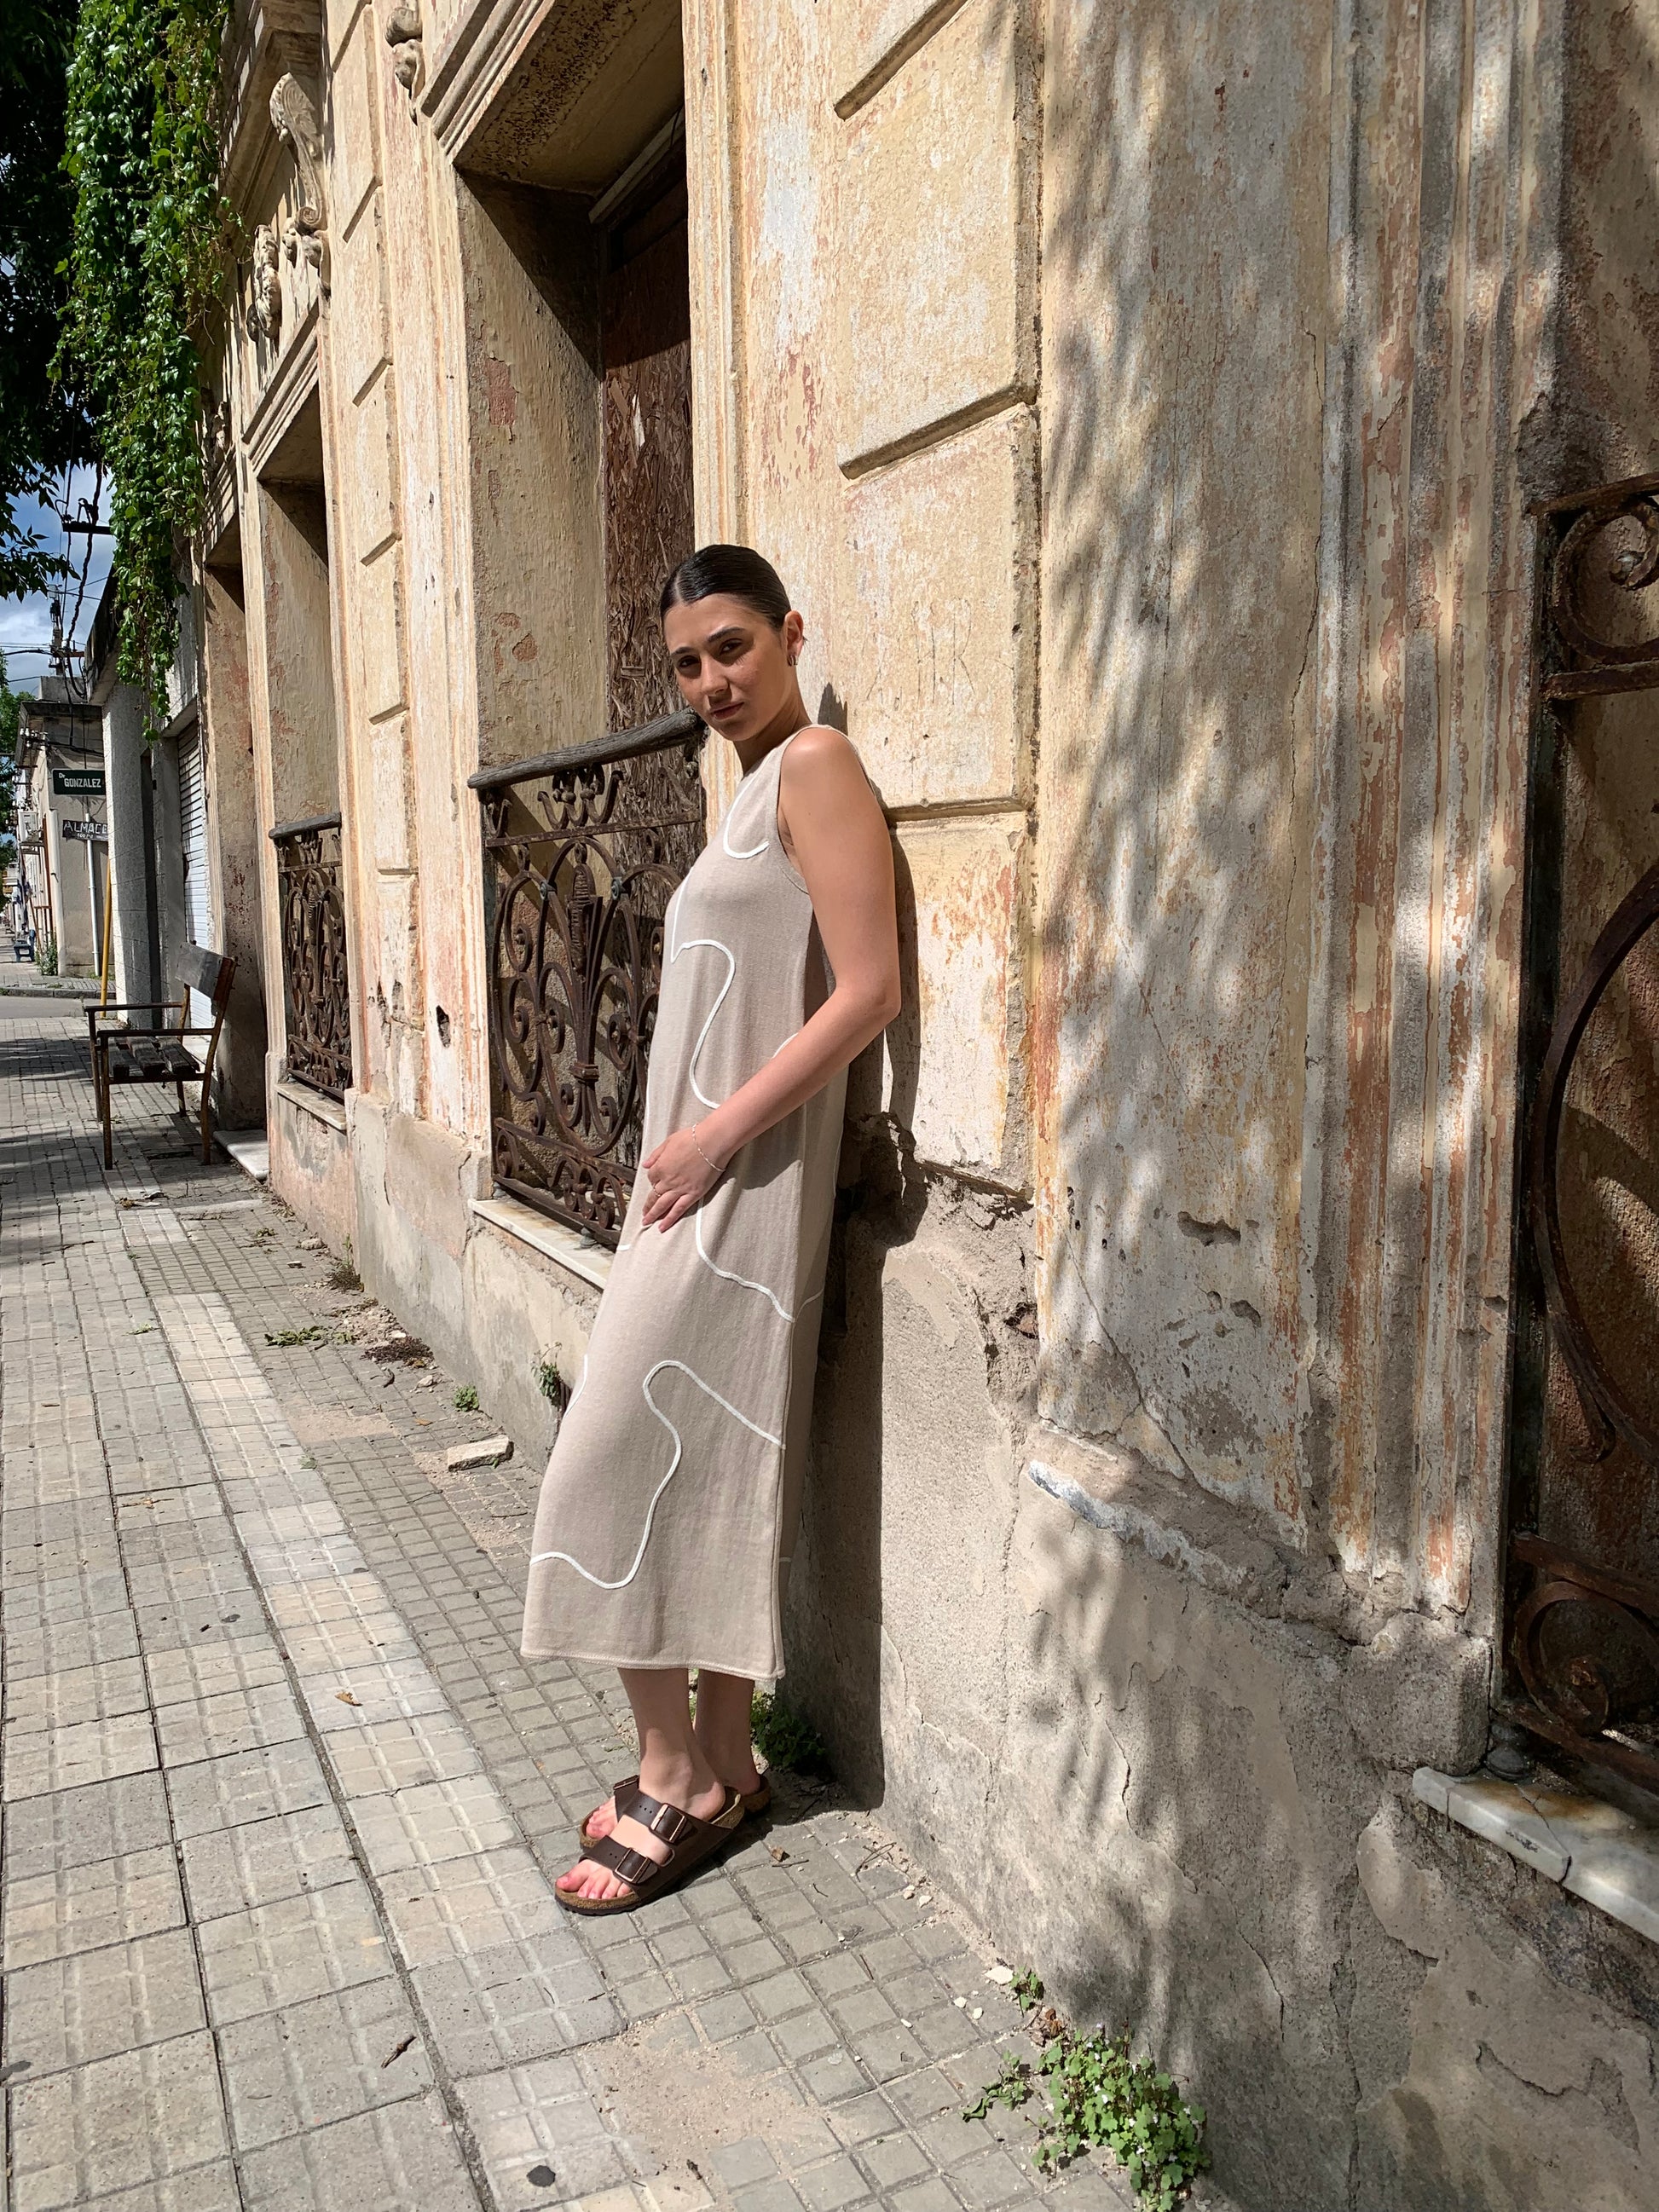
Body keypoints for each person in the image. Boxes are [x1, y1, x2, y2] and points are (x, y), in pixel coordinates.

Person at [521, 544, 901, 1914]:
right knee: (706, 1457)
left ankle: (671, 1771)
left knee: (603, 1465)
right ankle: (727, 1762)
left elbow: (867, 992)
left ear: (790, 633)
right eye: (687, 664)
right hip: (699, 1179)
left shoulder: (815, 767)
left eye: (731, 647)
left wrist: (712, 1136)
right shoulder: (743, 788)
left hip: (740, 1178)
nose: (710, 681)